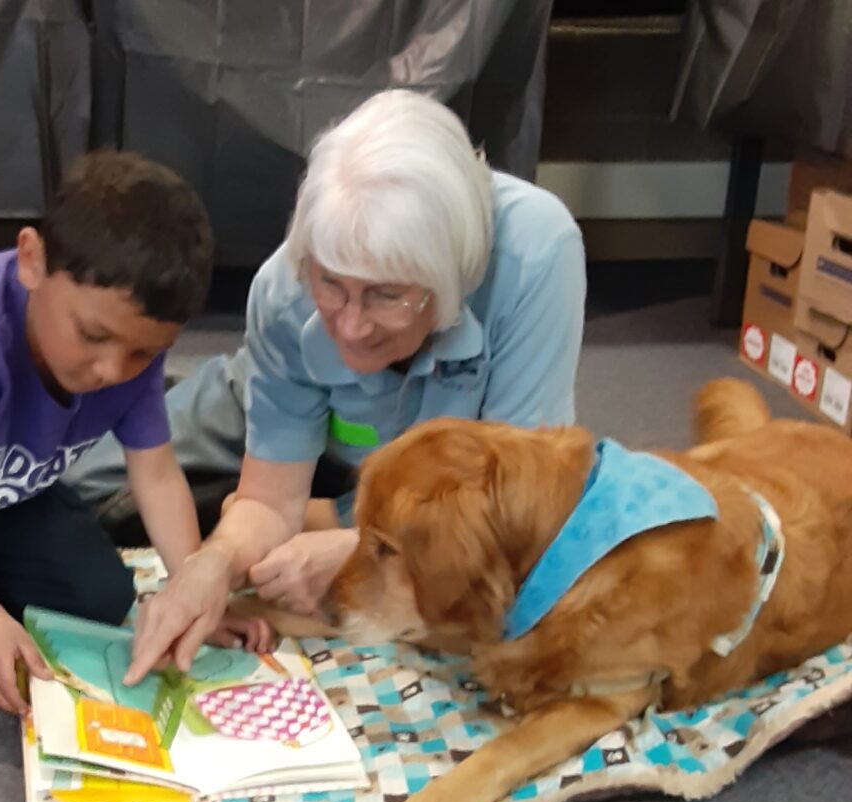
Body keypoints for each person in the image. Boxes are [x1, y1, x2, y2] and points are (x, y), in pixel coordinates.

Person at [101, 89, 587, 684]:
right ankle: (295, 483)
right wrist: (213, 564)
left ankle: (330, 511)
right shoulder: (283, 292)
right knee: (86, 485)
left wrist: (359, 549)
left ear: (450, 279)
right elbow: (269, 499)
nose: (350, 326)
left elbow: (522, 513)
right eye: (331, 286)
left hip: (420, 492)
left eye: (386, 294)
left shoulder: (538, 254)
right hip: (288, 406)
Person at [0, 150, 263, 716]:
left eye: (142, 353)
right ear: (31, 259)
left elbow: (154, 473)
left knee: (100, 597)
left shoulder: (131, 347)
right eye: (92, 335)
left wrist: (193, 588)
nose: (112, 370)